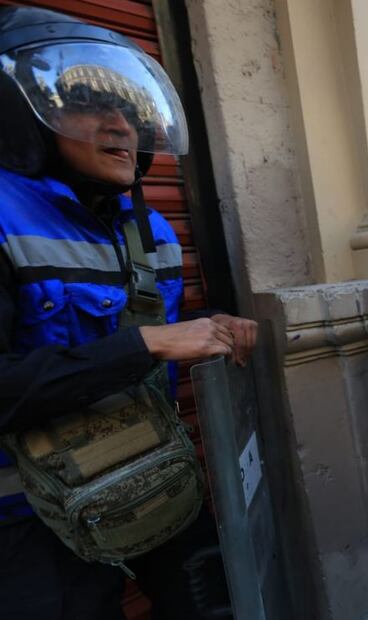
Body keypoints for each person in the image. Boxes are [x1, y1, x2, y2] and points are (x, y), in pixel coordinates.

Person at [0, 7, 256, 619]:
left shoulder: (152, 228)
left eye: (132, 114)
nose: (120, 126)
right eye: (89, 105)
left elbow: (145, 329)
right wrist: (152, 346)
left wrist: (214, 326)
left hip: (144, 474)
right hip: (26, 518)